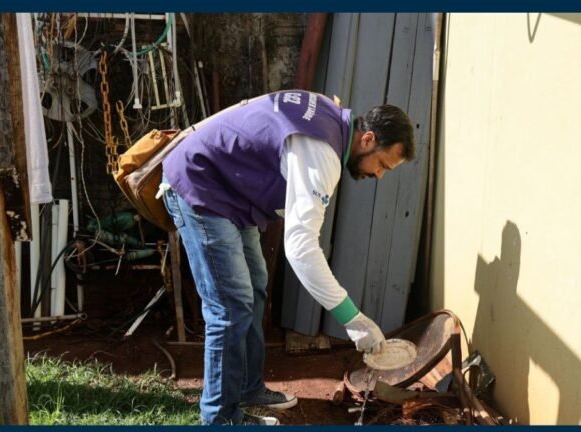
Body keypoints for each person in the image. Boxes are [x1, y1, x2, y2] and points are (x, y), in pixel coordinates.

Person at [158, 90, 415, 425]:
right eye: (382, 164)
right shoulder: (321, 154)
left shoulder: (332, 117)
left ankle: (247, 387)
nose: (379, 175)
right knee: (230, 307)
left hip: (230, 190)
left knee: (255, 287)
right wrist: (353, 319)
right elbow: (301, 248)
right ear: (367, 139)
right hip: (201, 183)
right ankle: (220, 418)